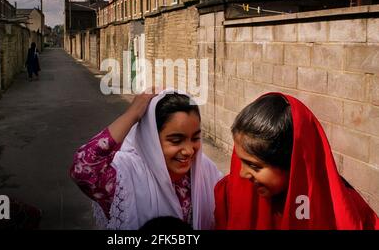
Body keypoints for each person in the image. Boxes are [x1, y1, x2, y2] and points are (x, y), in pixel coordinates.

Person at [214, 93, 379, 230]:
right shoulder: (230, 193)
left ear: (292, 165)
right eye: (240, 160)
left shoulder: (342, 214)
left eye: (255, 166)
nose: (242, 173)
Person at [70, 89, 222, 230]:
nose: (189, 151)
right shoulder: (127, 176)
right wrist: (132, 114)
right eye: (176, 140)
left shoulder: (205, 170)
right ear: (152, 139)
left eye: (195, 138)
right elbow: (84, 168)